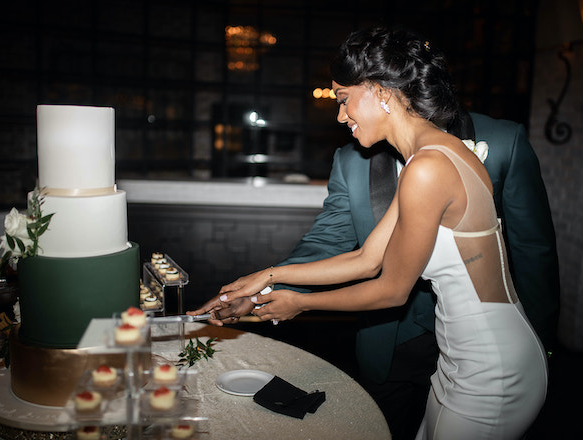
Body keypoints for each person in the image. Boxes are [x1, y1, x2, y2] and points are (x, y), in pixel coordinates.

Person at [192, 26, 549, 439]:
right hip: (461, 358)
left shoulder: (428, 167)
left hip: (491, 364)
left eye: (344, 99)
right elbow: (367, 259)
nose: (340, 115)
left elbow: (392, 290)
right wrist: (270, 276)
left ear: (380, 91)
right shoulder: (431, 154)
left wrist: (300, 305)